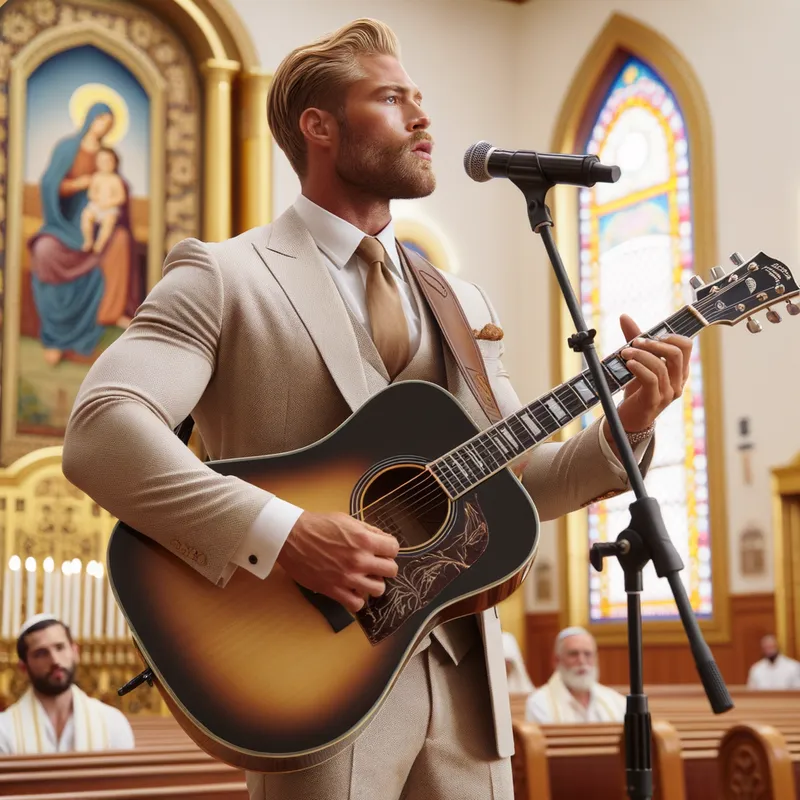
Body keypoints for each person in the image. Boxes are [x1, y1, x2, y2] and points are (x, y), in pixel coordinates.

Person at [62, 18, 693, 800]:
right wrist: (285, 535)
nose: (423, 118)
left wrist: (628, 426)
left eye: (421, 98)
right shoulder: (224, 276)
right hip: (309, 686)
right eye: (393, 99)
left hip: (469, 701)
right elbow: (102, 429)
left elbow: (519, 480)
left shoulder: (458, 301)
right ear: (318, 128)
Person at [28, 102, 140, 366]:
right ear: (90, 118)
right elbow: (49, 185)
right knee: (44, 251)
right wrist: (78, 184)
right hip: (63, 223)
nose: (104, 127)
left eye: (110, 124)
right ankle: (55, 336)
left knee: (121, 240)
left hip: (99, 222)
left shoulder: (106, 155)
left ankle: (110, 313)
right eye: (102, 120)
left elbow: (116, 187)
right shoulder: (68, 148)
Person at [0, 615, 134, 753]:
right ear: (23, 667)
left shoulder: (111, 723)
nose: (55, 660)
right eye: (41, 653)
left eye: (60, 647)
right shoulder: (4, 729)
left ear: (75, 652)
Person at [526, 627, 626, 724]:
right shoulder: (539, 704)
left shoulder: (616, 702)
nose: (582, 661)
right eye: (573, 654)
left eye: (587, 654)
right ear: (556, 660)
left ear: (596, 659)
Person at [80, 147, 126, 254]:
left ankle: (99, 244)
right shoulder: (96, 177)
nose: (105, 164)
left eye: (108, 161)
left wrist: (110, 202)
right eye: (101, 161)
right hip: (96, 206)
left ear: (115, 163)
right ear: (97, 163)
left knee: (109, 222)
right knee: (86, 215)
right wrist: (96, 199)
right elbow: (91, 193)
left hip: (109, 209)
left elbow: (121, 197)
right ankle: (88, 240)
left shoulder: (116, 179)